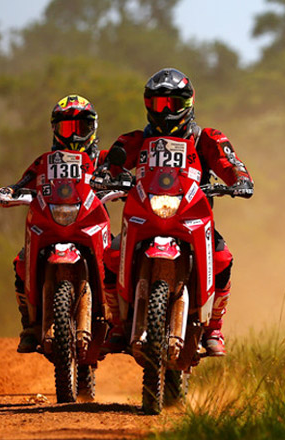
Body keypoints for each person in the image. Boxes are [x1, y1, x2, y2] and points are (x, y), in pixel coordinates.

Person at [98, 68, 254, 357]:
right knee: (112, 255)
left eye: (174, 104)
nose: (167, 112)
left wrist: (240, 180)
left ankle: (213, 328)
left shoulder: (205, 138)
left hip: (192, 216)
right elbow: (110, 162)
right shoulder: (135, 139)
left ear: (189, 103)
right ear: (148, 105)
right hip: (145, 214)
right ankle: (117, 324)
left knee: (222, 258)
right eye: (160, 104)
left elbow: (229, 162)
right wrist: (106, 174)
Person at [0, 95, 106, 353]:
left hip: (90, 224)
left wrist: (124, 183)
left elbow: (121, 174)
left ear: (92, 128)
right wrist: (11, 191)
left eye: (81, 127)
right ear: (55, 130)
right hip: (52, 224)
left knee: (115, 257)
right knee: (21, 262)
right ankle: (29, 324)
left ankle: (119, 321)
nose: (74, 135)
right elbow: (24, 182)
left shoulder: (102, 160)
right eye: (68, 128)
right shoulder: (44, 162)